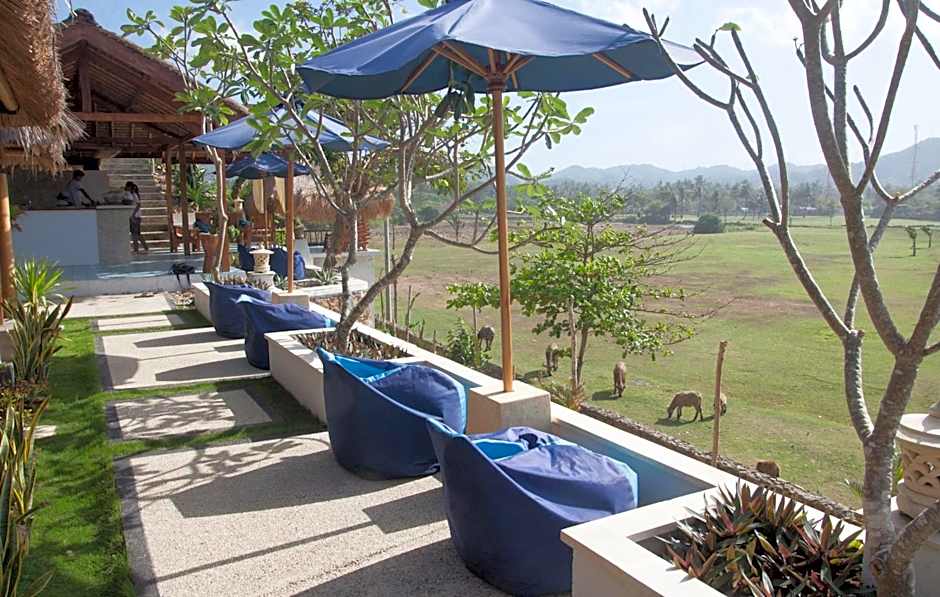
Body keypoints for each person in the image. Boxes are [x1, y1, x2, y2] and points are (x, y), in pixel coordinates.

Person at [126, 181, 149, 254]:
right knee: (137, 233)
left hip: (135, 216)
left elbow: (138, 205)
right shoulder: (133, 194)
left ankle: (136, 249)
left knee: (135, 233)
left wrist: (133, 214)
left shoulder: (133, 195)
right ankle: (145, 247)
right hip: (135, 215)